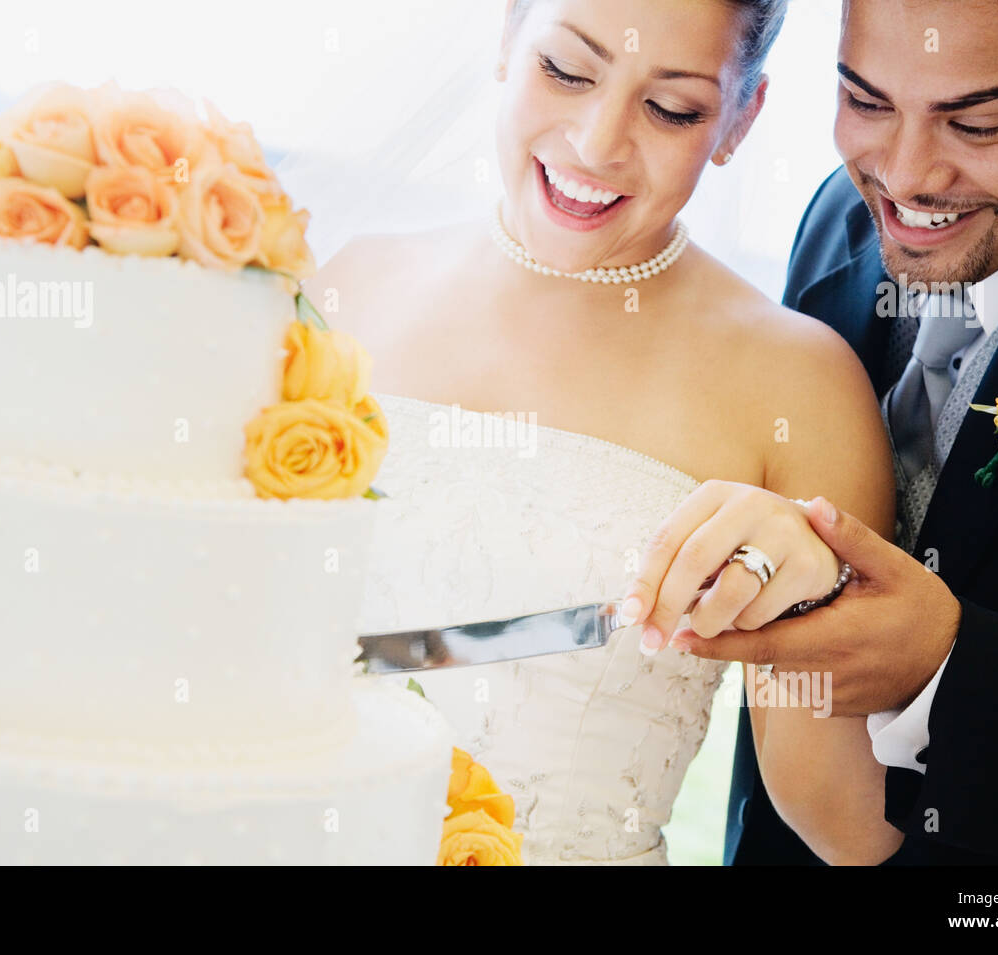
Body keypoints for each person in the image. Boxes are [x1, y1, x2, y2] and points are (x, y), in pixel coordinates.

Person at [308, 0, 898, 864]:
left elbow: (849, 828)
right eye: (567, 71)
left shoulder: (801, 385)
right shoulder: (347, 286)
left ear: (741, 119)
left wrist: (809, 593)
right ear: (509, 39)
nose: (596, 143)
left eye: (672, 109)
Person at [627, 0, 998, 864]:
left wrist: (952, 664)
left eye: (974, 124)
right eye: (865, 102)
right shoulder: (840, 215)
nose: (902, 176)